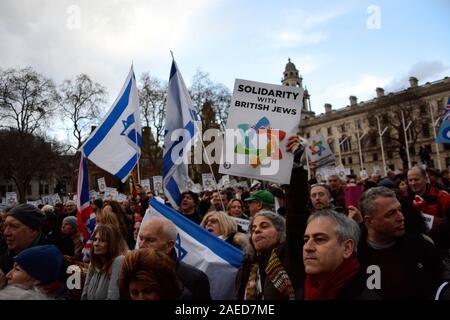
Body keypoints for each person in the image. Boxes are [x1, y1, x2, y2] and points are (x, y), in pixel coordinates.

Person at [235, 135, 308, 300]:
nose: (257, 231)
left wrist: (294, 167)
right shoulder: (247, 265)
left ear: (281, 231)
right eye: (253, 229)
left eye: (264, 226)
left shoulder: (289, 257)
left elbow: (297, 212)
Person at [358, 186, 444, 299]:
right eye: (391, 214)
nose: (401, 217)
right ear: (369, 221)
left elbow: (443, 275)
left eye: (400, 210)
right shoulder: (356, 256)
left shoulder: (419, 245)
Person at [298, 210, 379, 299]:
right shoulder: (300, 294)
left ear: (347, 248)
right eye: (306, 240)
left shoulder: (366, 295)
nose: (307, 247)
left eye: (319, 239)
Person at [138, 218, 211, 300]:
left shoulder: (195, 279)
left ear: (169, 245)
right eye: (141, 239)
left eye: (150, 240)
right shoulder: (130, 271)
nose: (141, 245)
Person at [81, 224, 127, 300]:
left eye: (102, 240)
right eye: (95, 239)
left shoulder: (118, 261)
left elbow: (113, 297)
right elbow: (84, 295)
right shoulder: (93, 264)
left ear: (111, 244)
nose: (96, 244)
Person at [0, 204, 47, 273]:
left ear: (33, 230)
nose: (6, 233)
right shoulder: (3, 255)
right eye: (5, 226)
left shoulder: (50, 265)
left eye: (13, 226)